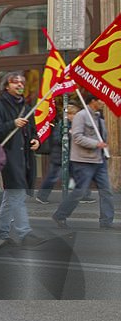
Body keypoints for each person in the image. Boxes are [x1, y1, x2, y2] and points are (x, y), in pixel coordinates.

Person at [0, 72, 39, 247]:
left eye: (21, 82)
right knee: (17, 193)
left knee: (10, 196)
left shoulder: (27, 106)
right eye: (15, 82)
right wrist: (12, 123)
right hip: (8, 157)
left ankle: (1, 233)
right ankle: (24, 232)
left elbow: (33, 129)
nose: (19, 85)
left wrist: (35, 139)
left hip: (24, 157)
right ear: (6, 86)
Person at [53, 93, 114, 230]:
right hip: (83, 161)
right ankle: (60, 215)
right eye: (101, 100)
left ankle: (106, 222)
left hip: (99, 161)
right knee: (79, 192)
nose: (104, 103)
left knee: (106, 191)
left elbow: (103, 136)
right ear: (93, 101)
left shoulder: (99, 117)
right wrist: (96, 144)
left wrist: (103, 147)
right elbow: (77, 137)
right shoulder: (81, 116)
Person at [35, 102, 78, 204]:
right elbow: (57, 139)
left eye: (75, 114)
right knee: (52, 177)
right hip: (59, 156)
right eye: (72, 114)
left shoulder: (73, 125)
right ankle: (42, 195)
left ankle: (83, 195)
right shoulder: (62, 124)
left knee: (78, 175)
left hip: (69, 156)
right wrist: (69, 135)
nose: (74, 116)